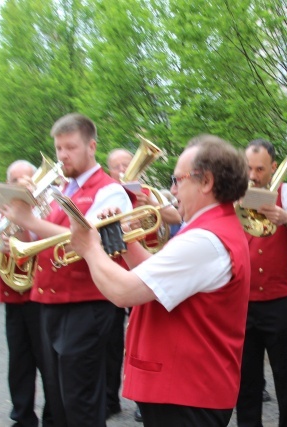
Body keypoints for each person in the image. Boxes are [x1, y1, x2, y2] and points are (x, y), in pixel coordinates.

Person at [68, 135, 250, 426]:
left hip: (187, 391)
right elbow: (155, 277)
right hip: (187, 388)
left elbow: (124, 291)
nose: (172, 189)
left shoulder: (205, 239)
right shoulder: (208, 229)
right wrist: (122, 241)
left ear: (206, 182)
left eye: (178, 180)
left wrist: (88, 247)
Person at [0, 113, 132, 427]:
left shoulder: (109, 190)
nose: (62, 156)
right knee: (58, 402)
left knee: (81, 402)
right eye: (59, 148)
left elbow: (86, 239)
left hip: (86, 304)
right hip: (49, 304)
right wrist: (20, 222)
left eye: (70, 147)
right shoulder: (61, 190)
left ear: (91, 147)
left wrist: (30, 219)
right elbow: (36, 240)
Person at [236, 139, 287, 427]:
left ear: (273, 167)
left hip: (278, 301)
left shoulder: (286, 191)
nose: (253, 175)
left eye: (259, 169)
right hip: (242, 302)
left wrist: (286, 217)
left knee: (286, 376)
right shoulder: (234, 192)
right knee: (246, 378)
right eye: (248, 168)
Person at [105, 147, 183, 422]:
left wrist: (149, 203)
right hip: (121, 269)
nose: (124, 170)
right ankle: (119, 395)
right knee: (121, 338)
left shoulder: (149, 192)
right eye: (118, 167)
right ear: (110, 171)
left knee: (150, 335)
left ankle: (146, 397)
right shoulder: (110, 194)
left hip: (152, 265)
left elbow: (176, 217)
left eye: (129, 164)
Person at [0, 159, 52, 427]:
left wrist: (29, 236)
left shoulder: (45, 211)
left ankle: (53, 416)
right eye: (16, 180)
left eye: (27, 179)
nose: (21, 184)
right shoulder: (0, 214)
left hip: (41, 297)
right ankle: (22, 416)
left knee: (47, 362)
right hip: (13, 299)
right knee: (19, 362)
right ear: (8, 185)